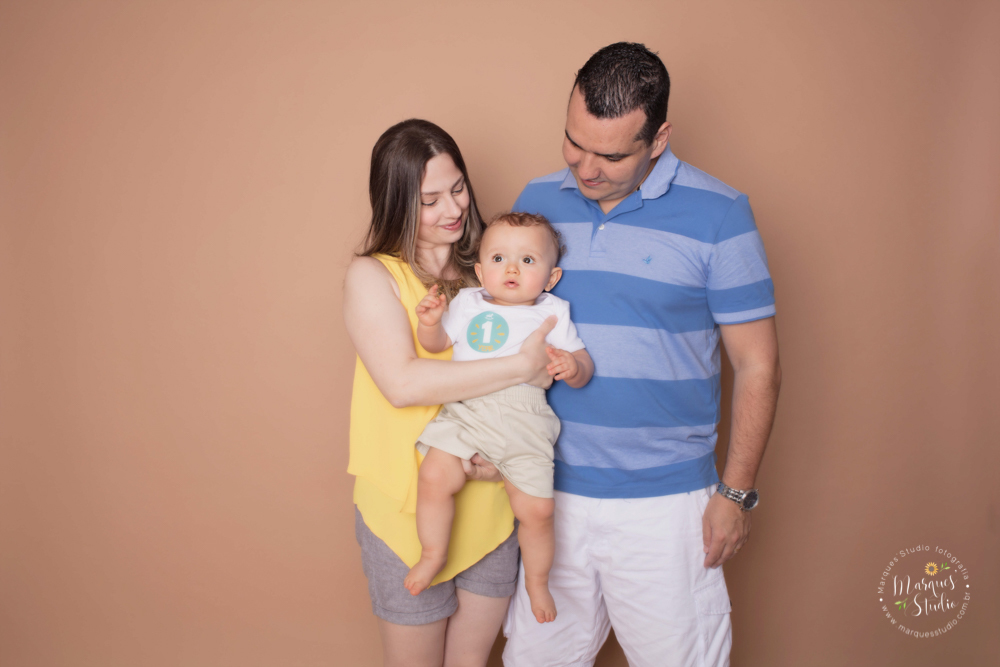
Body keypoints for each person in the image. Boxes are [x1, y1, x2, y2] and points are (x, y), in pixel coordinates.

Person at [502, 43, 782, 667]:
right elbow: (501, 328)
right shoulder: (536, 199)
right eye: (575, 142)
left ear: (658, 140)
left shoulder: (721, 215)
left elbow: (758, 365)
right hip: (550, 495)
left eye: (612, 154)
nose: (586, 167)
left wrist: (734, 494)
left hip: (666, 509)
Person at [343, 119, 559, 667]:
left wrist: (505, 456)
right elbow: (403, 383)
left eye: (458, 188)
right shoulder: (374, 277)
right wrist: (519, 365)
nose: (453, 209)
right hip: (405, 507)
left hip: (490, 501)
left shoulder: (492, 274)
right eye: (431, 199)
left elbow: (546, 378)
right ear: (396, 204)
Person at [404, 212, 595, 626]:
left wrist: (572, 366)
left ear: (551, 277)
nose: (511, 268)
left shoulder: (553, 312)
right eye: (498, 259)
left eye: (528, 261)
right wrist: (429, 323)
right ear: (479, 270)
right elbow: (436, 345)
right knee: (435, 476)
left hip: (524, 415)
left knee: (538, 512)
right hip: (466, 405)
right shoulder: (467, 302)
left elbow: (583, 363)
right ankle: (433, 553)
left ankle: (538, 581)